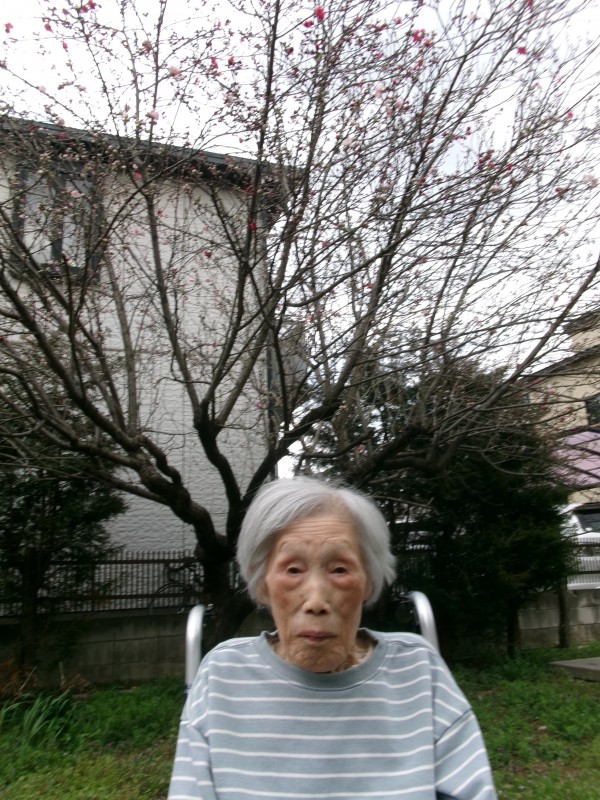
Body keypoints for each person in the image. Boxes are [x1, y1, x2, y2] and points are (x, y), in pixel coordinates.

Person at [168, 476, 497, 800]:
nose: (316, 601)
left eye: (339, 570)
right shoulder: (222, 676)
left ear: (368, 581)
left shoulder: (419, 671)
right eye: (293, 570)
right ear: (262, 583)